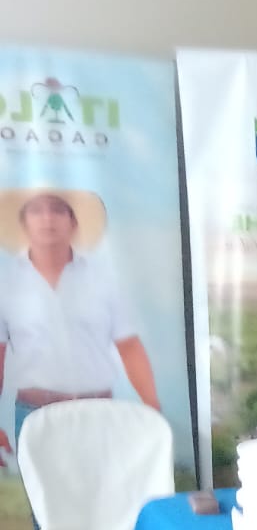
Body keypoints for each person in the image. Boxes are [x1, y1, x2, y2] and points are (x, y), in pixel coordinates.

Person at [0, 187, 162, 468]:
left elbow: (129, 345)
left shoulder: (105, 279)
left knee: (104, 491)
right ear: (24, 223)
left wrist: (152, 406)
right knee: (43, 496)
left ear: (73, 222)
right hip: (34, 416)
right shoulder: (6, 284)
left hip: (98, 412)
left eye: (58, 210)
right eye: (37, 211)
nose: (47, 218)